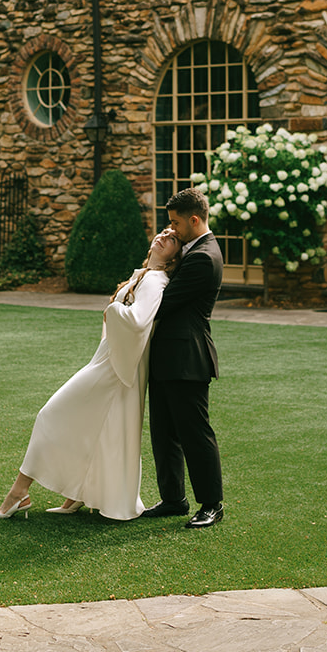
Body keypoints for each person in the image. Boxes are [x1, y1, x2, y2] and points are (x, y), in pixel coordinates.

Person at [0, 229, 181, 521]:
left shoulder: (155, 281)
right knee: (96, 429)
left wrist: (114, 308)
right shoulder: (143, 275)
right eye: (164, 231)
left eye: (173, 239)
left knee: (51, 415)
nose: (164, 236)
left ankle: (18, 493)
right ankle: (75, 495)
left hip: (116, 369)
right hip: (109, 360)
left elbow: (138, 321)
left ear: (174, 257)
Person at [142, 187, 225, 529]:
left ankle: (212, 504)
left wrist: (155, 266)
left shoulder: (204, 257)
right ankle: (174, 498)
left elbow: (163, 302)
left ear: (194, 220)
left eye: (176, 223)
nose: (171, 229)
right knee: (163, 432)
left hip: (188, 357)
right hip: (166, 355)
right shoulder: (189, 250)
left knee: (194, 433)